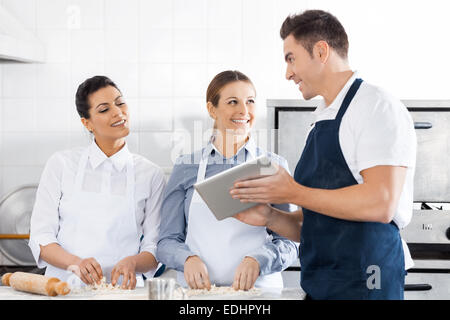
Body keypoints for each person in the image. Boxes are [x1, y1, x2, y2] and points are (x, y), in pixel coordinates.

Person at [230, 10, 416, 300]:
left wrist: (292, 190)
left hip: (366, 280)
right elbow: (316, 221)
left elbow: (381, 203)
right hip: (322, 283)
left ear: (321, 51)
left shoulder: (376, 106)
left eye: (291, 58)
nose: (287, 73)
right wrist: (270, 216)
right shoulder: (321, 118)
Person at [156, 70, 298, 290]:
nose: (244, 111)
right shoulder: (186, 166)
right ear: (212, 109)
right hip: (199, 295)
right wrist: (187, 259)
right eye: (233, 102)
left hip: (259, 293)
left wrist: (259, 259)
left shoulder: (273, 166)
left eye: (250, 101)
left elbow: (290, 241)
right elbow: (166, 241)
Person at [29, 76, 166, 289]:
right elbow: (41, 237)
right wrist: (75, 263)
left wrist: (133, 262)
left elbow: (155, 245)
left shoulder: (151, 174)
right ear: (87, 123)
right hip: (64, 288)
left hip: (123, 290)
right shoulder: (62, 165)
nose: (118, 112)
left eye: (120, 103)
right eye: (104, 109)